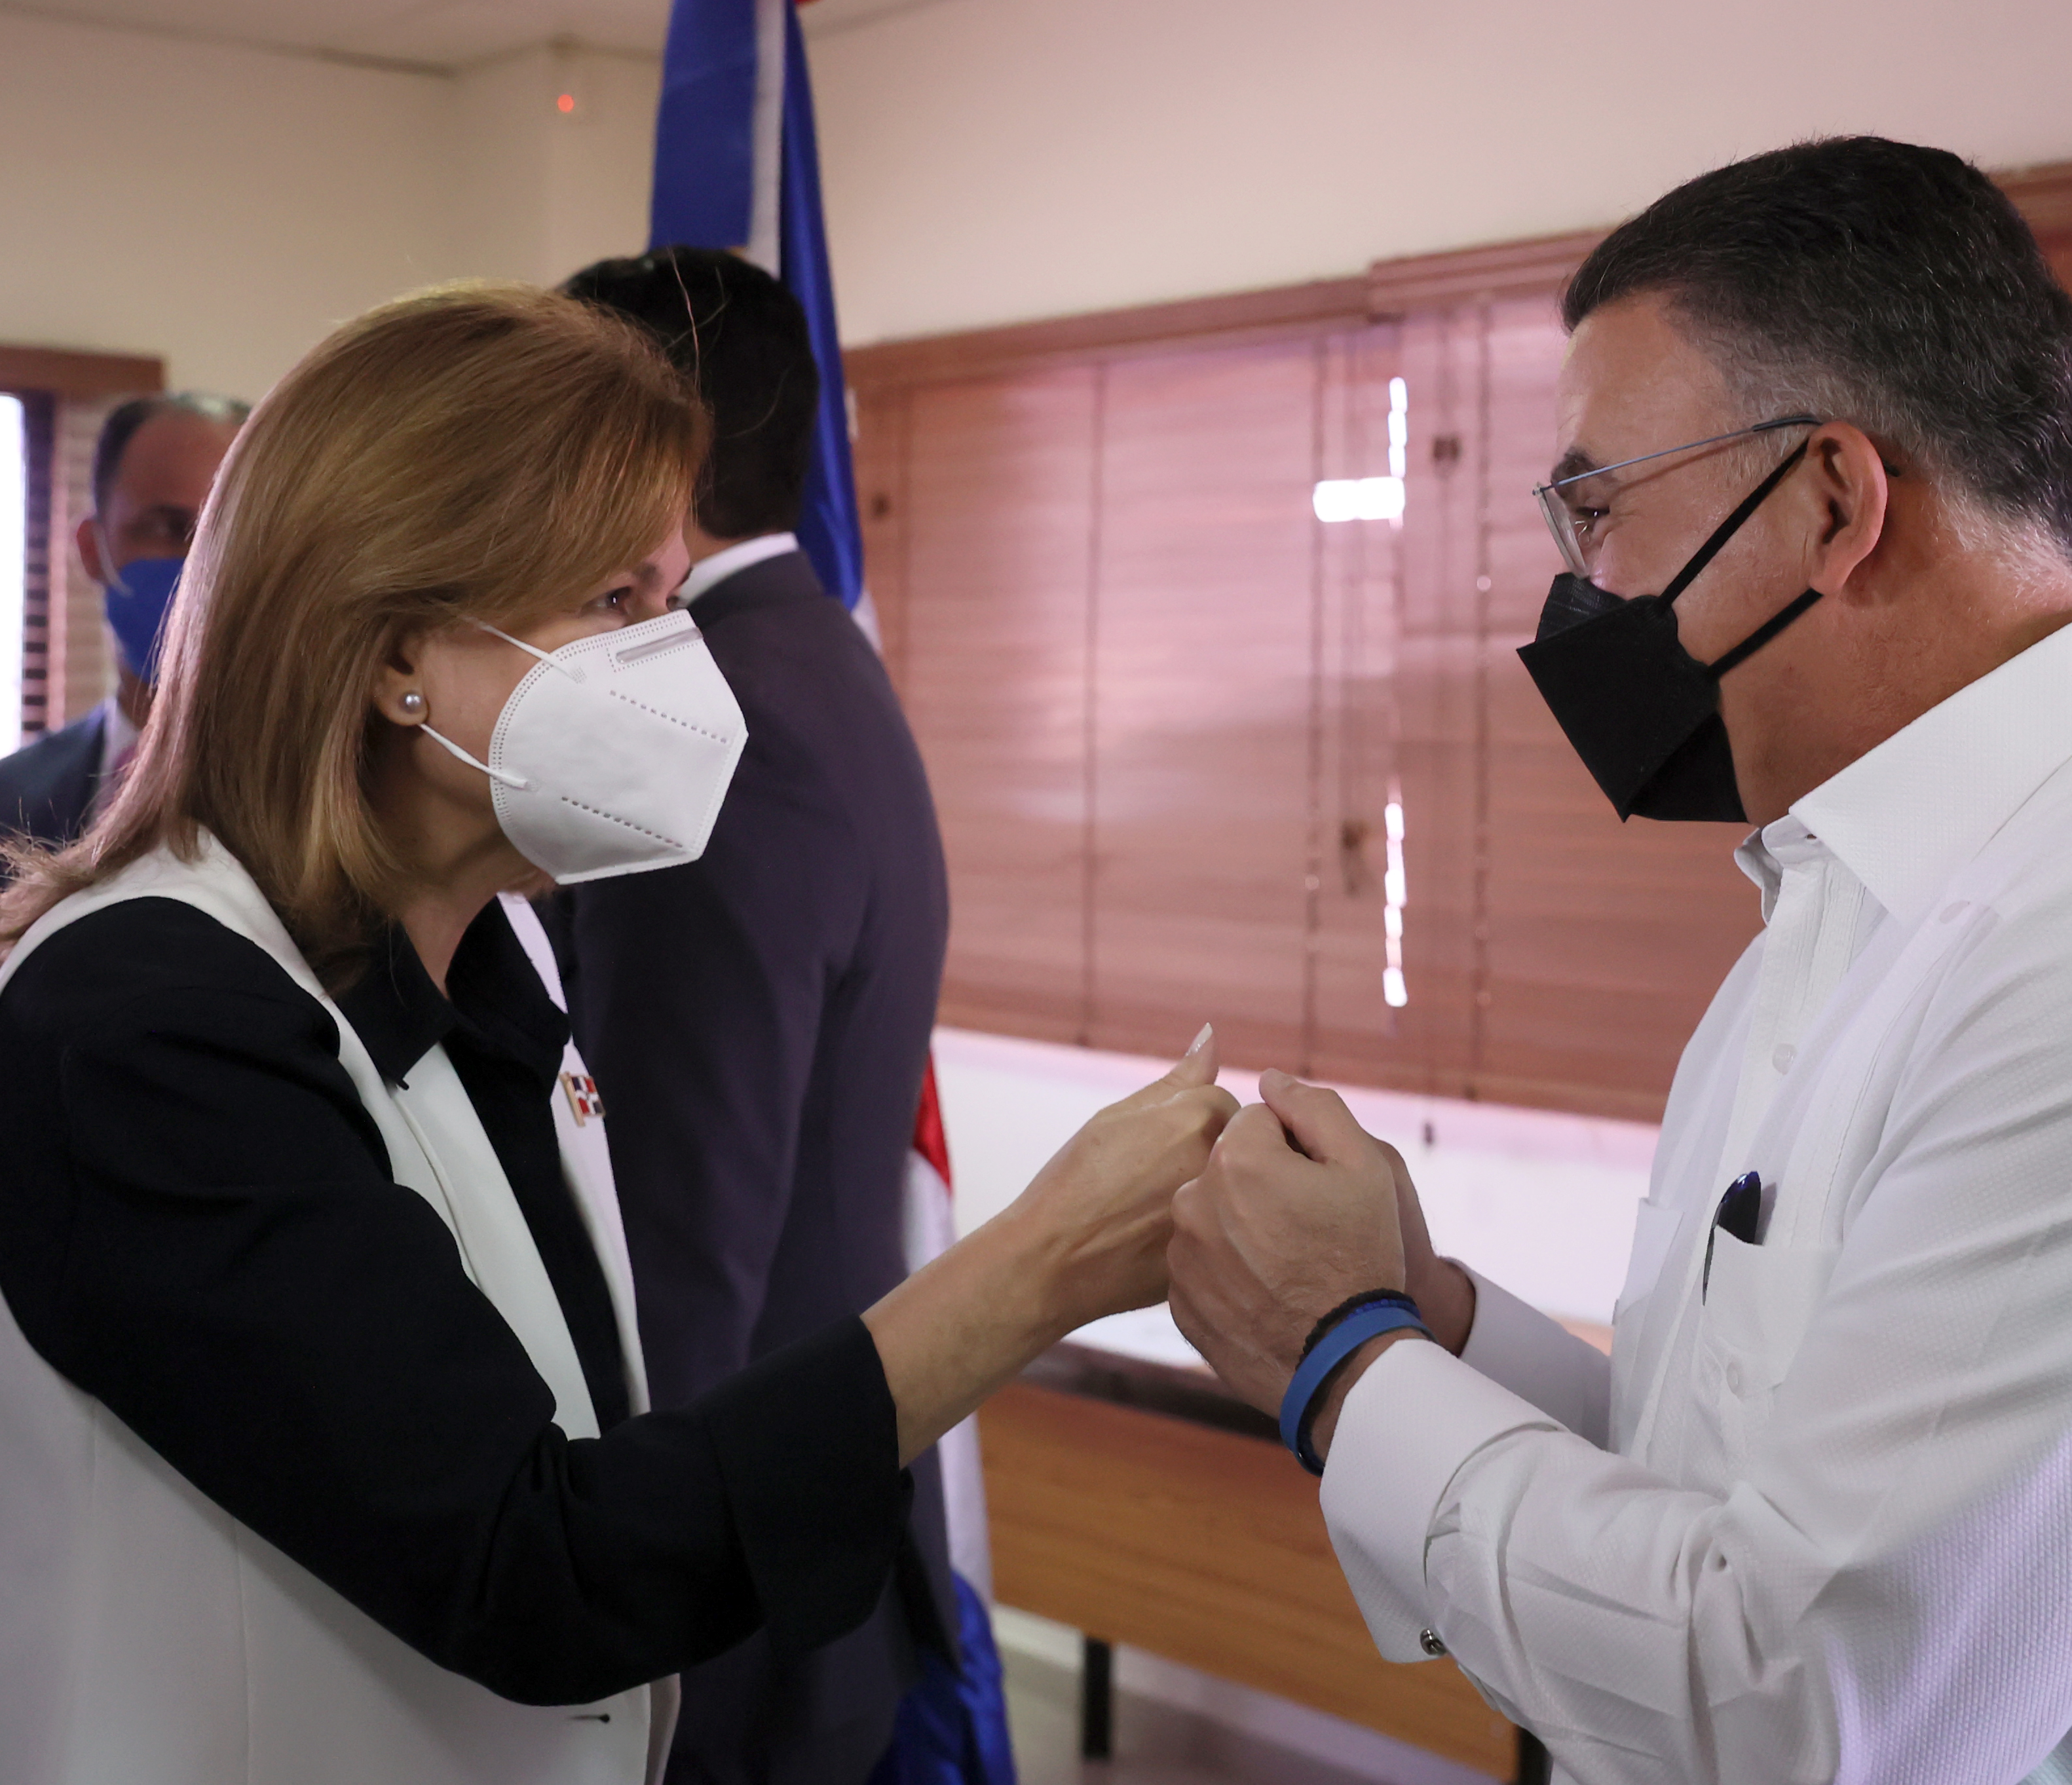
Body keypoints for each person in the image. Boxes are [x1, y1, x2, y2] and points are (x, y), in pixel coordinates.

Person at [1165, 138, 2072, 1785]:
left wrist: (1337, 1361)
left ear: (1830, 503)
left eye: (1597, 509)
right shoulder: (1841, 920)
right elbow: (1725, 1505)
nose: (1581, 590)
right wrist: (1424, 1314)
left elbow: (1813, 1718)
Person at [0, 282, 1236, 1785]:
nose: (675, 661)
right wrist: (1043, 1263)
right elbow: (532, 1559)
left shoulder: (491, 962)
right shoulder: (140, 1022)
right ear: (395, 653)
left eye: (669, 596)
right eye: (613, 604)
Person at [548, 244, 970, 1785]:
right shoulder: (810, 659)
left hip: (736, 1592)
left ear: (660, 448)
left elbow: (680, 1235)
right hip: (809, 1529)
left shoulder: (703, 714)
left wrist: (608, 1604)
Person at [0, 390, 245, 846]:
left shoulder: (345, 802)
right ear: (92, 550)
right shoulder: (9, 803)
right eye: (170, 528)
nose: (205, 568)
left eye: (234, 535)